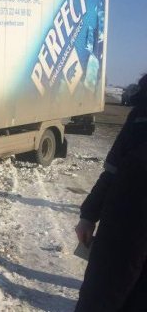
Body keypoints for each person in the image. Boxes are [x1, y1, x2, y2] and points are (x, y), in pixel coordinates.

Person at [74, 74, 147, 311]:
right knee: (102, 297)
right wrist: (88, 215)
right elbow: (112, 171)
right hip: (124, 229)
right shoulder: (141, 116)